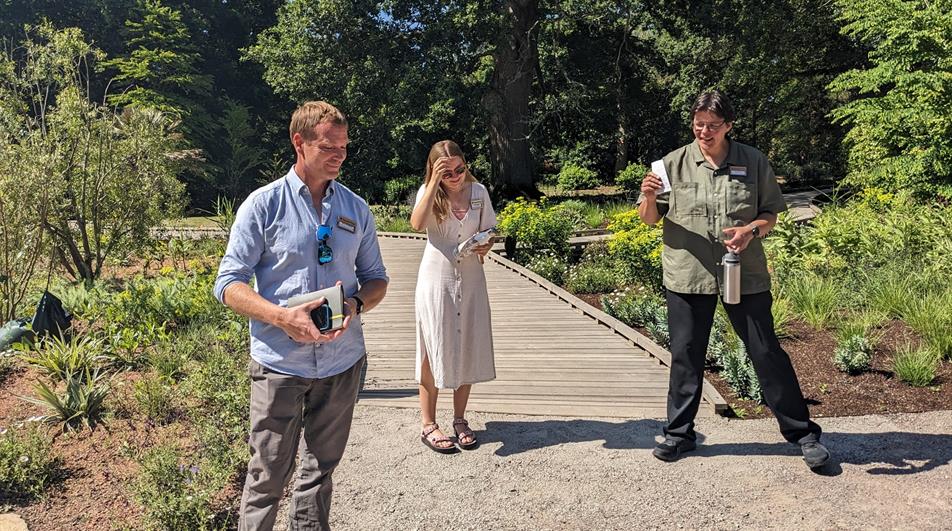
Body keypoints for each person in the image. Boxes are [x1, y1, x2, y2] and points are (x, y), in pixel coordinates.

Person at [214, 100, 389, 529]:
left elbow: (377, 279)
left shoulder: (355, 209)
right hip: (280, 364)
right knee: (267, 477)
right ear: (300, 141)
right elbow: (227, 284)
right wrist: (280, 316)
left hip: (342, 362)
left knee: (319, 473)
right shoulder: (263, 205)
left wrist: (354, 303)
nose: (339, 156)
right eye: (329, 146)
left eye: (344, 148)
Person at [637, 90, 829, 469]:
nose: (704, 132)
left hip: (744, 272)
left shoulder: (753, 161)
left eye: (712, 125)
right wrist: (646, 197)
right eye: (698, 124)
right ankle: (679, 435)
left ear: (729, 126)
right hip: (688, 274)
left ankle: (802, 433)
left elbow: (771, 213)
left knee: (765, 351)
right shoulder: (670, 164)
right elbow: (650, 219)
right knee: (685, 355)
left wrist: (750, 232)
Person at [410, 140, 497, 454]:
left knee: (467, 343)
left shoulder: (479, 192)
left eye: (460, 169)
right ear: (435, 171)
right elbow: (417, 224)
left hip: (472, 275)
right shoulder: (429, 194)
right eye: (448, 172)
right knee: (432, 344)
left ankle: (460, 418)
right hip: (437, 278)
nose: (457, 176)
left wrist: (487, 243)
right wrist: (434, 183)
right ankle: (429, 424)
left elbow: (490, 228)